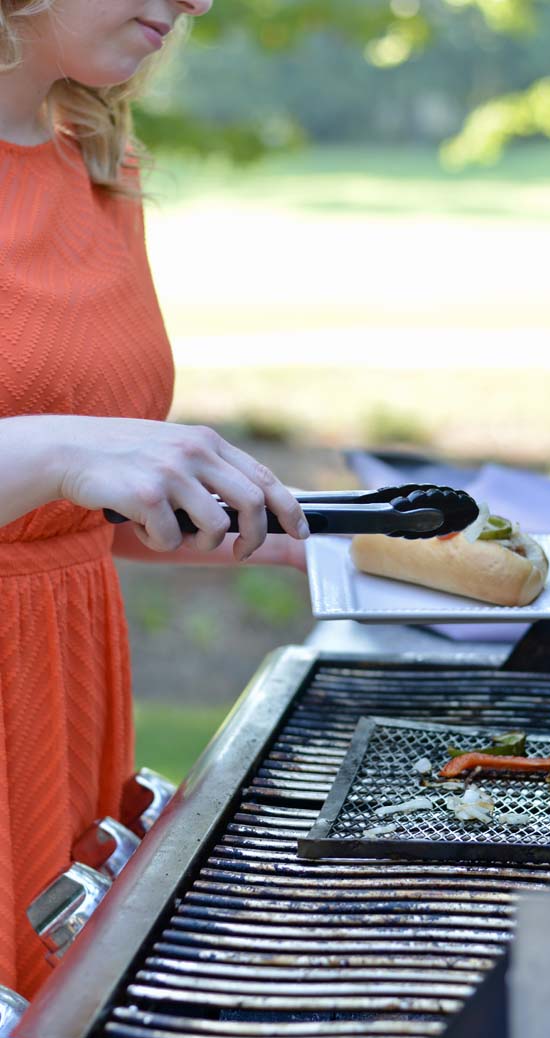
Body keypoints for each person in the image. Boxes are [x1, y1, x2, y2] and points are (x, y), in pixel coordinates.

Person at [0, 0, 310, 998]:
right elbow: (54, 452)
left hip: (64, 688)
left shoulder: (97, 155)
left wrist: (260, 524)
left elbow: (72, 500)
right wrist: (53, 454)